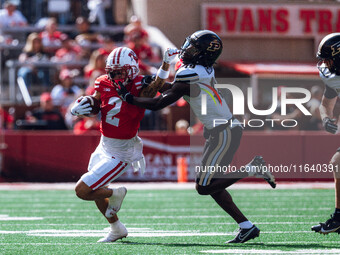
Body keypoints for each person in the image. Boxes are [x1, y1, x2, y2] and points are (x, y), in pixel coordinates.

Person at [117, 30, 277, 244]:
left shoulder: (193, 72)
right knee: (211, 185)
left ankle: (253, 168)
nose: (187, 49)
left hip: (224, 132)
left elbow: (159, 103)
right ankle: (246, 226)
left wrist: (129, 98)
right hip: (221, 131)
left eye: (193, 48)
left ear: (202, 54)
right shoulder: (196, 70)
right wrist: (152, 81)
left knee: (203, 186)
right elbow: (178, 89)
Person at [70, 46, 175, 242]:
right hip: (104, 144)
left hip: (122, 151)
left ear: (132, 69)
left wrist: (166, 64)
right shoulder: (102, 81)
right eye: (112, 72)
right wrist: (84, 105)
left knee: (82, 190)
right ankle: (116, 228)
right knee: (96, 189)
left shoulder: (140, 84)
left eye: (120, 71)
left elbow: (158, 87)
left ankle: (117, 193)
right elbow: (97, 103)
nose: (115, 76)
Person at [311, 33, 340, 235]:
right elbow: (326, 104)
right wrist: (327, 118)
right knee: (338, 163)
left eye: (328, 59)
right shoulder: (333, 77)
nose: (325, 64)